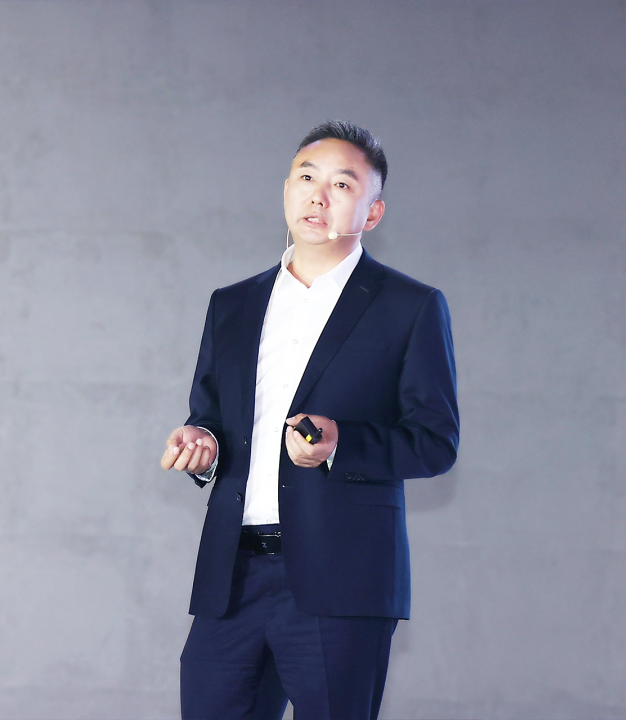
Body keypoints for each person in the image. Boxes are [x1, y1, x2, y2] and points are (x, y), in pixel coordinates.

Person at [159, 120, 459, 720]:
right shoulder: (232, 304)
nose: (318, 196)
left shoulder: (409, 306)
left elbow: (435, 442)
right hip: (232, 577)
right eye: (305, 178)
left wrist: (341, 442)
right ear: (286, 190)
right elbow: (211, 417)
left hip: (342, 580)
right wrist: (202, 444)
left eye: (342, 185)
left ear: (373, 212)